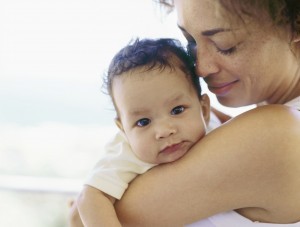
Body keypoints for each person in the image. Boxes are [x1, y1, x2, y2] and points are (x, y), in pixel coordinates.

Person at [69, 0, 300, 226]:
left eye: (224, 44)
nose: (200, 67)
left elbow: (80, 219)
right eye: (191, 43)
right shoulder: (225, 124)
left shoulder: (277, 134)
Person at [72, 38, 221, 227]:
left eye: (177, 110)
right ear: (124, 130)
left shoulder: (213, 125)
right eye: (143, 122)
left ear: (204, 110)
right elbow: (90, 198)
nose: (164, 131)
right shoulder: (126, 153)